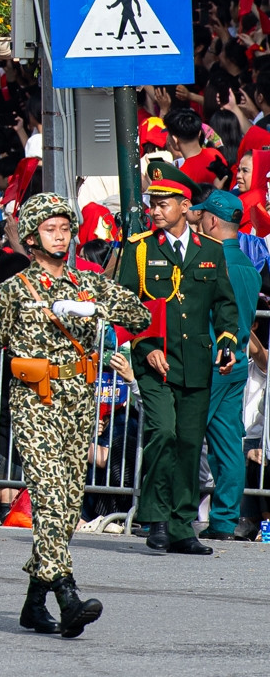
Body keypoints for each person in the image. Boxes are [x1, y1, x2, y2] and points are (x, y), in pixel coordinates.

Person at [0, 192, 151, 637]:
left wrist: (95, 308)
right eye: (51, 230)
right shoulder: (17, 290)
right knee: (51, 495)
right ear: (32, 238)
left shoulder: (86, 282)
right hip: (35, 400)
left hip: (79, 399)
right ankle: (66, 592)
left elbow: (139, 313)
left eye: (66, 228)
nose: (61, 237)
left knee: (68, 501)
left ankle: (34, 603)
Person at [118, 161, 240, 553]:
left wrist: (225, 341)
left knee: (190, 441)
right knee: (164, 433)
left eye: (164, 203)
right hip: (155, 360)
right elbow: (125, 307)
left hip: (196, 361)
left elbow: (225, 304)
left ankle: (182, 525)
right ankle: (155, 518)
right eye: (152, 202)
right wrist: (147, 347)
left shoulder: (212, 251)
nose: (155, 209)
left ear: (185, 206)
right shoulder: (139, 250)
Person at [189, 187, 259, 540]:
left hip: (211, 361)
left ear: (212, 220)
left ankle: (175, 516)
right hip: (239, 361)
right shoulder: (249, 265)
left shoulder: (212, 261)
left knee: (185, 435)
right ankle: (225, 520)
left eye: (202, 216)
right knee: (228, 442)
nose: (199, 221)